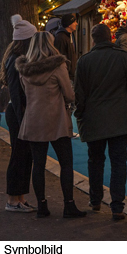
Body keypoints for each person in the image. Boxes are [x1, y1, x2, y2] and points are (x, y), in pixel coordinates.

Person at [74, 23, 127, 220]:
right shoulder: (123, 57)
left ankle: (95, 200)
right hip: (119, 118)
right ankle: (117, 206)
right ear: (110, 38)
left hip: (94, 119)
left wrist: (80, 114)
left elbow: (78, 93)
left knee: (95, 160)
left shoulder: (84, 61)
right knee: (118, 162)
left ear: (93, 40)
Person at [15, 32, 86, 218]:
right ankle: (69, 205)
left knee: (38, 164)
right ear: (50, 45)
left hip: (33, 121)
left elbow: (25, 93)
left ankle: (42, 206)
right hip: (56, 121)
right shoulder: (58, 66)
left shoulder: (24, 69)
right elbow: (70, 95)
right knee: (66, 163)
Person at [2, 15, 36, 213]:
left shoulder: (14, 59)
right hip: (18, 114)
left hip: (18, 113)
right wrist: (23, 119)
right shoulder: (16, 61)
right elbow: (15, 93)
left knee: (23, 155)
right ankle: (13, 199)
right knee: (19, 155)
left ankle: (19, 198)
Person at [53, 13, 78, 83]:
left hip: (70, 74)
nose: (77, 24)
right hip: (66, 75)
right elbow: (60, 56)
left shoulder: (68, 36)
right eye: (74, 22)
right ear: (69, 24)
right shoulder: (61, 37)